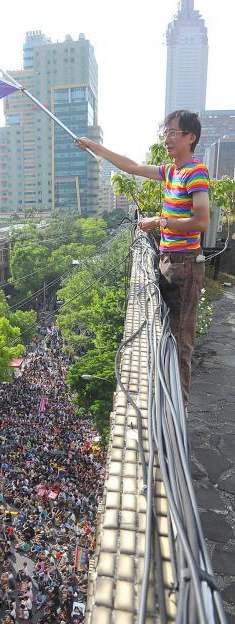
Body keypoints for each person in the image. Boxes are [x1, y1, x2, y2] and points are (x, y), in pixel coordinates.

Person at [76, 109, 210, 405]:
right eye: (165, 133)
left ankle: (175, 412)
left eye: (173, 133)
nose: (167, 139)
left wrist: (160, 222)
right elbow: (133, 166)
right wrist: (94, 146)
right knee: (166, 331)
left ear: (191, 137)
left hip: (185, 263)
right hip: (168, 258)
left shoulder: (195, 172)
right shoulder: (171, 171)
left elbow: (202, 222)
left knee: (179, 339)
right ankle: (165, 397)